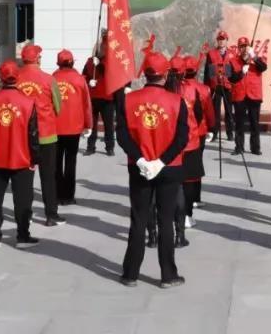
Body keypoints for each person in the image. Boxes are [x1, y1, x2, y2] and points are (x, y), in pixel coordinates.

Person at [117, 52, 189, 288]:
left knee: (139, 219)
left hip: (140, 168)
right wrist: (162, 161)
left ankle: (130, 273)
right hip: (169, 168)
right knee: (165, 220)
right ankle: (168, 275)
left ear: (144, 74)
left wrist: (140, 160)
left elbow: (122, 136)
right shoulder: (177, 102)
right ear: (165, 74)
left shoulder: (128, 100)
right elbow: (181, 139)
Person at [0, 61, 41, 249]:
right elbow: (33, 134)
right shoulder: (28, 102)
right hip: (21, 157)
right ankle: (22, 234)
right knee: (22, 198)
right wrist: (35, 158)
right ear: (19, 76)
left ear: (1, 76)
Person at [16, 44, 64, 226]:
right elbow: (58, 107)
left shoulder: (17, 79)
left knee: (25, 178)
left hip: (23, 137)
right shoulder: (48, 79)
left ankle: (24, 214)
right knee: (48, 177)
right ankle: (51, 214)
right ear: (37, 58)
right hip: (46, 135)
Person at [53, 49, 92, 205]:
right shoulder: (79, 79)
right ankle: (68, 196)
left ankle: (56, 193)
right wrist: (88, 125)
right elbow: (86, 104)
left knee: (56, 162)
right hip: (73, 127)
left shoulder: (52, 78)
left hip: (55, 127)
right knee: (70, 162)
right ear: (72, 62)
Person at [180, 56, 214, 227]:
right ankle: (193, 201)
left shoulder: (173, 88)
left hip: (179, 136)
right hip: (196, 134)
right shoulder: (202, 89)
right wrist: (212, 128)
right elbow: (206, 113)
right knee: (193, 171)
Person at [226, 37, 267, 155]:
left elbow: (263, 68)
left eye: (246, 46)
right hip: (239, 96)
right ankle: (239, 147)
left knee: (254, 123)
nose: (244, 48)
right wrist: (241, 73)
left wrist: (253, 56)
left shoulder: (257, 59)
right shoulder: (232, 61)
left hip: (254, 95)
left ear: (249, 47)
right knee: (239, 123)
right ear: (238, 48)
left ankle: (255, 148)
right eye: (242, 46)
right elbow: (230, 77)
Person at [83, 29, 117, 156]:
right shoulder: (90, 62)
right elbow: (84, 76)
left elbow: (110, 70)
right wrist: (88, 81)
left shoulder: (110, 61)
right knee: (92, 124)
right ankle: (90, 146)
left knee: (108, 124)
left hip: (107, 97)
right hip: (93, 96)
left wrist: (102, 61)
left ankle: (110, 147)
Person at [203, 31, 235, 142]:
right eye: (219, 39)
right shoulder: (211, 53)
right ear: (217, 40)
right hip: (215, 86)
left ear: (227, 40)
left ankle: (230, 133)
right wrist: (206, 87)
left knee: (229, 111)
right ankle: (214, 133)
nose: (221, 41)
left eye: (223, 39)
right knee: (215, 111)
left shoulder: (232, 53)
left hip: (228, 85)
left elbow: (234, 71)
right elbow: (207, 71)